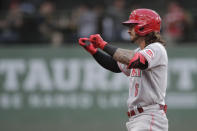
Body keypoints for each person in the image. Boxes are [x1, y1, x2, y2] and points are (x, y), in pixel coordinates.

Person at [78, 8, 168, 131]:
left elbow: (136, 60)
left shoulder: (156, 48)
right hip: (139, 118)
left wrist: (103, 45)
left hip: (150, 116)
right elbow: (115, 66)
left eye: (132, 26)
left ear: (143, 28)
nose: (129, 30)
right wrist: (94, 52)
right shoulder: (140, 51)